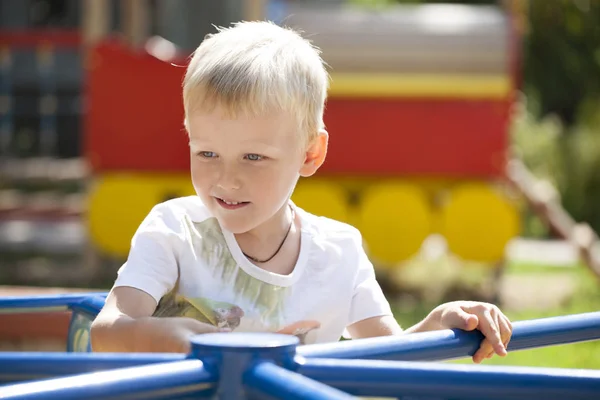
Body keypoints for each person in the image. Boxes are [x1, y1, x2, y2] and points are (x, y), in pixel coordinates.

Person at [90, 21, 512, 364]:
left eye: (253, 157)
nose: (226, 178)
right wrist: (168, 335)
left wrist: (436, 326)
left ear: (310, 154)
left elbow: (388, 356)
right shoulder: (174, 231)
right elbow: (107, 331)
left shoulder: (339, 253)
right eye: (207, 152)